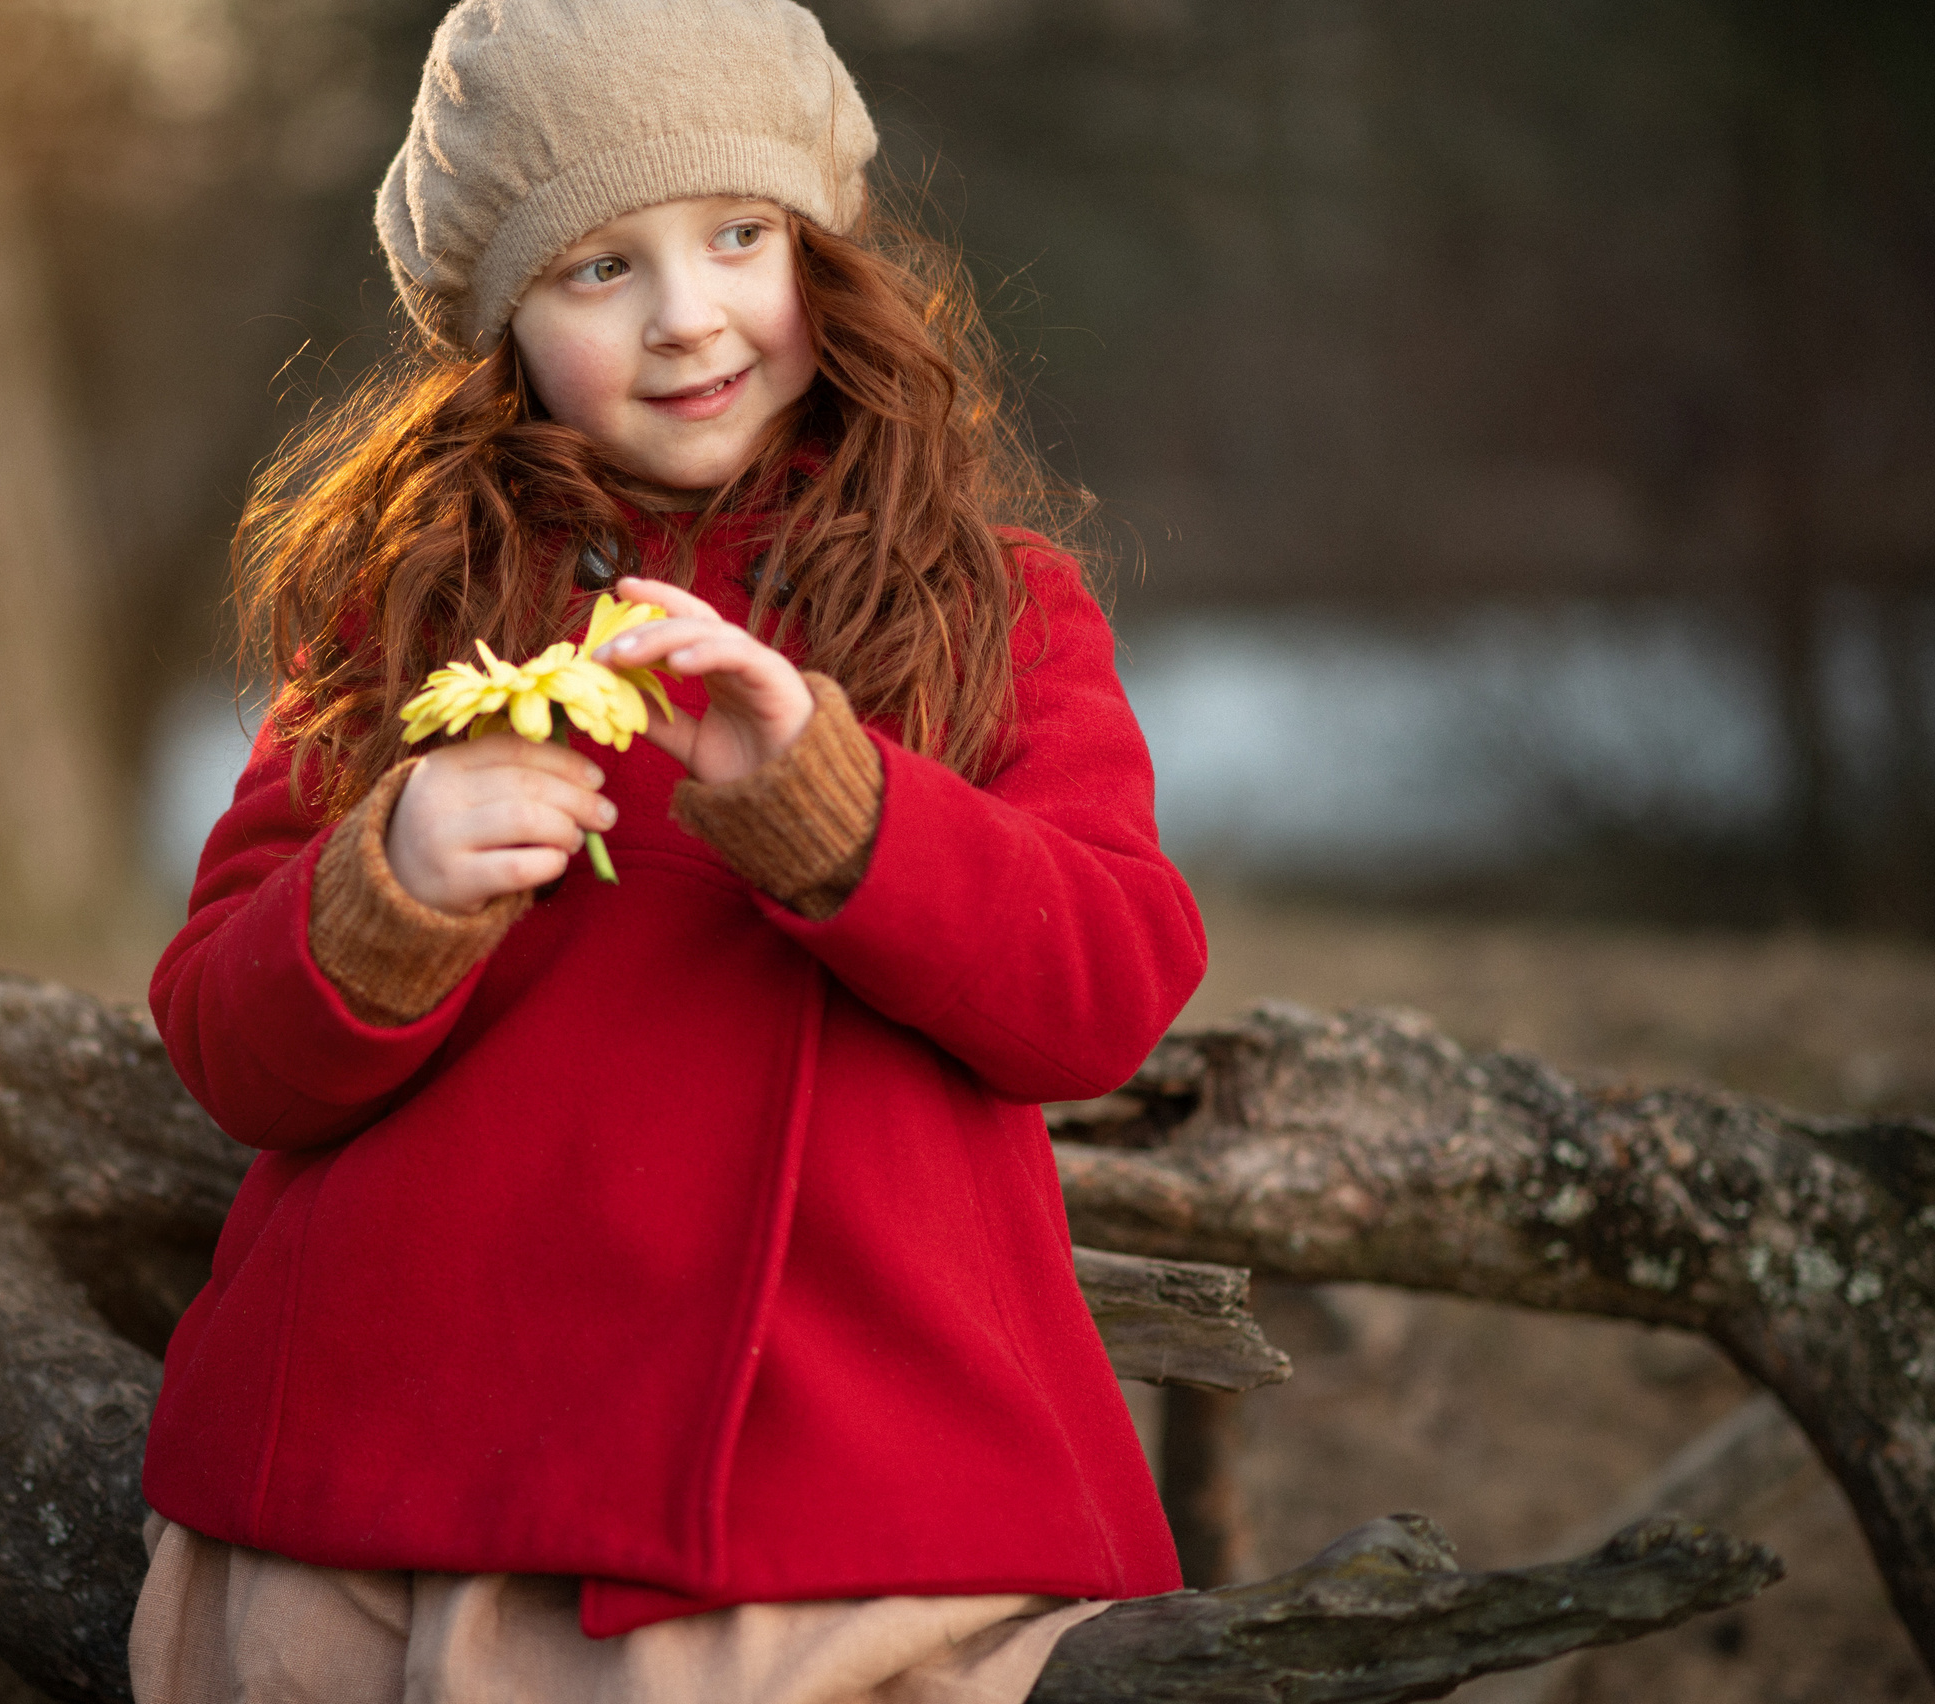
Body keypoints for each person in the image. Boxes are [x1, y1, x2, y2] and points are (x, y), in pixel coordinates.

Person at [131, 2, 1208, 1698]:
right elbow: (224, 1037)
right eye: (597, 269)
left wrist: (841, 817)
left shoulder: (987, 606)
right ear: (502, 328)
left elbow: (1104, 987)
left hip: (846, 1505)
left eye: (736, 236)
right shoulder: (407, 608)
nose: (689, 315)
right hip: (394, 1489)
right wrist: (391, 881)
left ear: (820, 254)